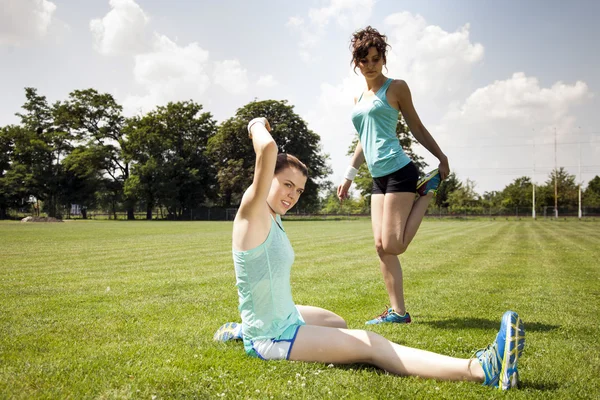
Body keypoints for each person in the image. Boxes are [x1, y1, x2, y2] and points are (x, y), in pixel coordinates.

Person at [214, 117, 525, 390]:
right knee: (371, 344)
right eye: (286, 185)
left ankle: (242, 327)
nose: (292, 195)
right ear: (265, 179)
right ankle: (480, 369)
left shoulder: (273, 216)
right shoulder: (252, 212)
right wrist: (256, 123)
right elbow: (267, 150)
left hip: (282, 316)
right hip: (273, 335)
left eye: (298, 190)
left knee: (335, 321)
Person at [338, 26, 450, 324]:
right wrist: (349, 175)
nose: (371, 64)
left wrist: (440, 157)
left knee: (395, 245)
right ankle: (398, 313)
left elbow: (417, 127)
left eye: (376, 58)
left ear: (383, 58)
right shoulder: (359, 99)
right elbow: (364, 139)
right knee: (380, 246)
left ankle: (427, 191)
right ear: (356, 63)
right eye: (365, 60)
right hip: (378, 177)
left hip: (400, 170)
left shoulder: (396, 87)